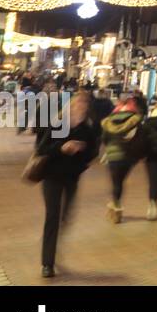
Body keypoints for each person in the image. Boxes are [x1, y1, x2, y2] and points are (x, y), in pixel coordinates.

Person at [35, 90, 99, 278]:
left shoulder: (87, 129)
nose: (81, 107)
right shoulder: (57, 123)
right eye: (78, 103)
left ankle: (51, 240)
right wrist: (62, 148)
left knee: (65, 216)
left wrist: (82, 150)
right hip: (52, 176)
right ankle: (48, 263)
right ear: (71, 105)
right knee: (53, 216)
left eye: (84, 104)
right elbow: (41, 148)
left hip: (71, 178)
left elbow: (93, 153)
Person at [100, 97, 144, 224]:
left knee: (116, 182)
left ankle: (116, 210)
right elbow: (141, 138)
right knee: (120, 181)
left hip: (113, 155)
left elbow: (104, 139)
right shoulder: (135, 121)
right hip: (130, 156)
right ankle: (116, 205)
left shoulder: (109, 121)